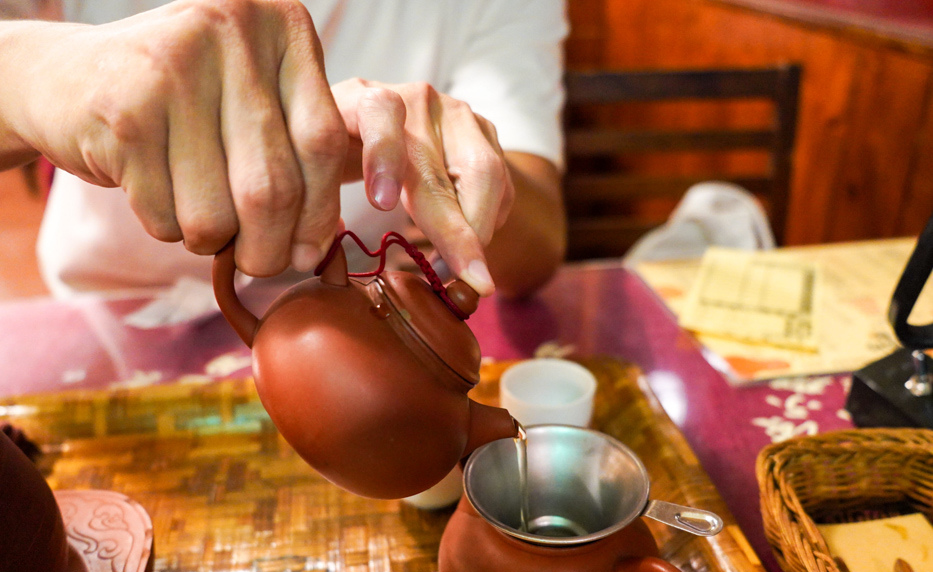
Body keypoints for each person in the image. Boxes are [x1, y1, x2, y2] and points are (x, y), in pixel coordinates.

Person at [0, 0, 567, 301]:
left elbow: (540, 243)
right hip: (106, 318)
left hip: (363, 316)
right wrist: (35, 75)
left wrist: (450, 172)